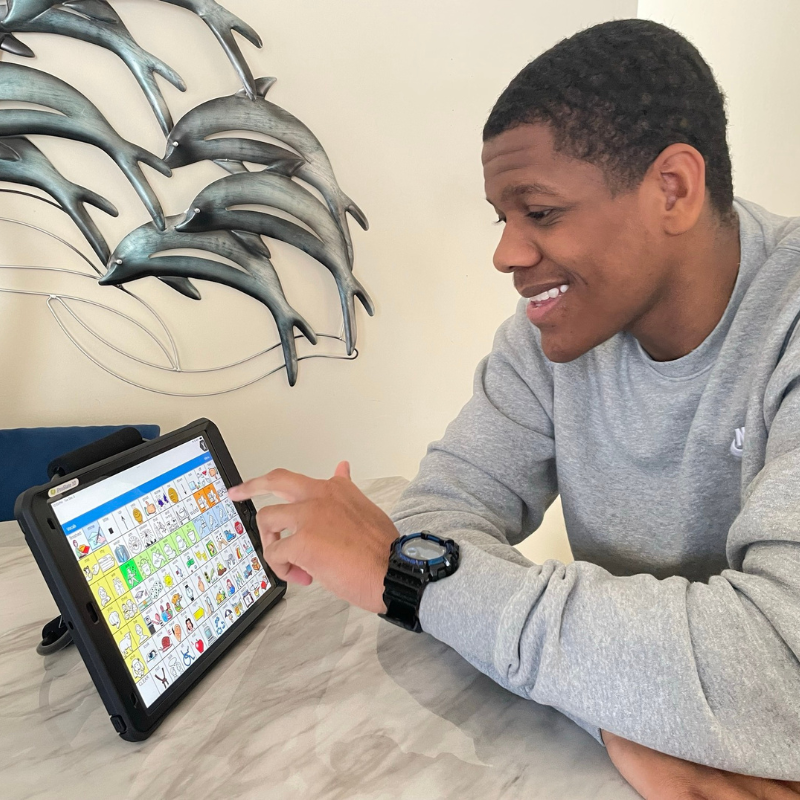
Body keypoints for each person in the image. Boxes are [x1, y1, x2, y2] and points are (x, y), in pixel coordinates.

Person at [228, 19, 800, 799]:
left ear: (672, 188)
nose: (506, 254)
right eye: (503, 217)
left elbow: (782, 668)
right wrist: (620, 717)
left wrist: (408, 580)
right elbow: (438, 516)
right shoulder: (551, 333)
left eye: (541, 211)